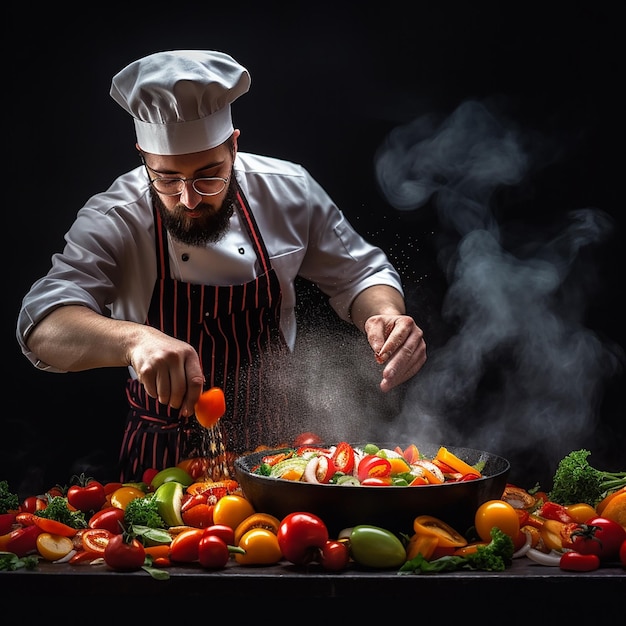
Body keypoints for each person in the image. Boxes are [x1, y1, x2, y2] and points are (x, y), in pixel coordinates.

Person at [16, 50, 427, 483]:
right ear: (142, 155)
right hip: (162, 462)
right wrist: (134, 340)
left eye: (209, 175)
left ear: (234, 144)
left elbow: (362, 274)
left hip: (279, 456)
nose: (189, 198)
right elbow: (43, 325)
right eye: (168, 179)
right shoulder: (115, 216)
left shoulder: (288, 191)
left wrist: (385, 315)